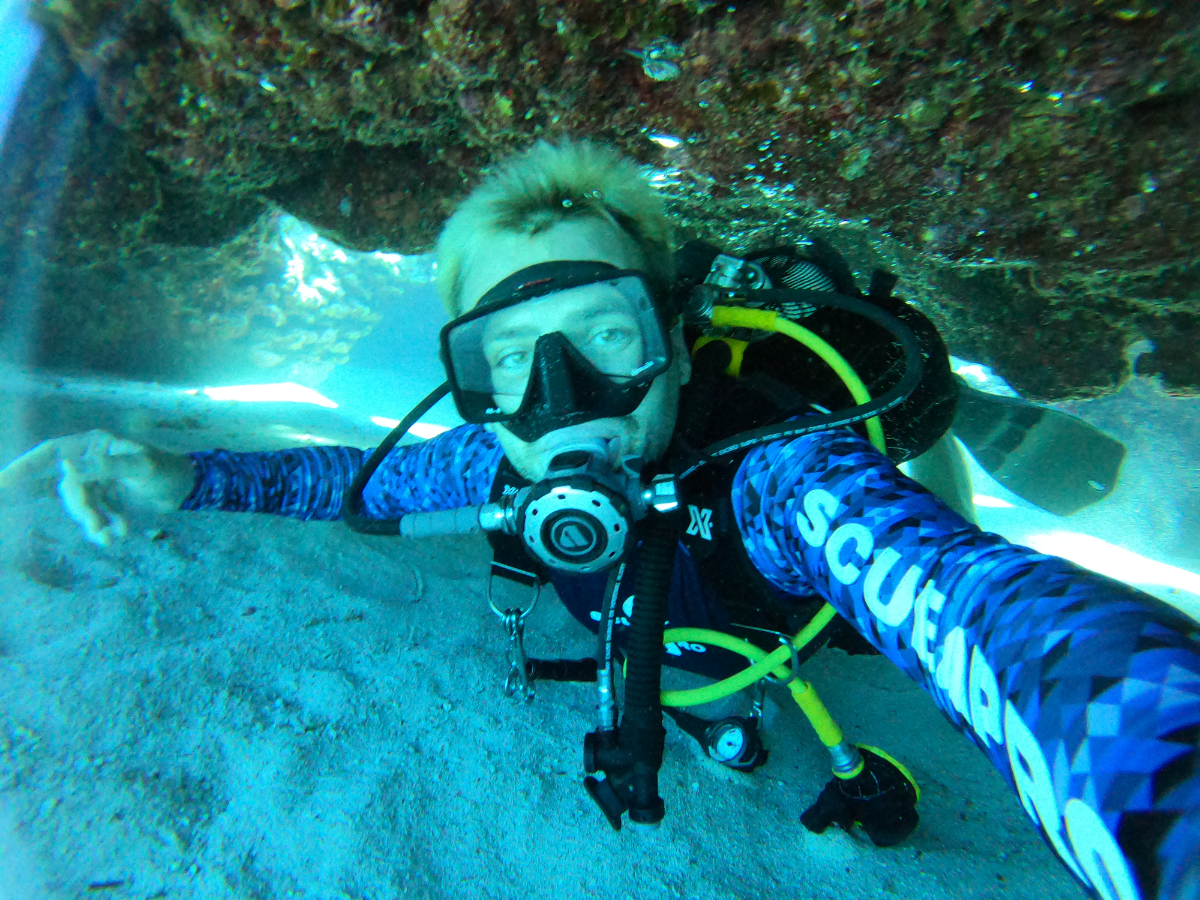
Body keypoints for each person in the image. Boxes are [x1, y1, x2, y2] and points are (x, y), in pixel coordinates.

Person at [2, 140, 1198, 900]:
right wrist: (181, 472)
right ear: (463, 381)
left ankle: (957, 429)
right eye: (510, 358)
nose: (561, 400)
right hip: (697, 645)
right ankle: (725, 705)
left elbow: (968, 599)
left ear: (674, 342)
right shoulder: (488, 458)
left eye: (608, 337)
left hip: (791, 564)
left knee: (907, 500)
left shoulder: (782, 477)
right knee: (718, 685)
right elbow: (336, 484)